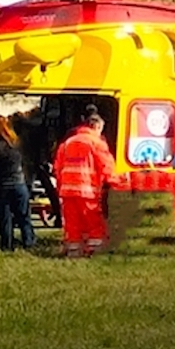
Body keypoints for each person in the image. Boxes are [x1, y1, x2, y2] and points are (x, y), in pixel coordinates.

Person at [53, 105, 117, 258]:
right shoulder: (96, 142)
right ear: (96, 126)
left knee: (72, 224)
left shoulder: (68, 143)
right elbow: (106, 167)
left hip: (67, 191)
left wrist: (61, 187)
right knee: (93, 223)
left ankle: (73, 251)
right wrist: (116, 183)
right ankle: (95, 250)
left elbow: (58, 167)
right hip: (87, 190)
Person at [0, 116, 36, 251]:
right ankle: (28, 242)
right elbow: (27, 166)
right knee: (24, 216)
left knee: (5, 219)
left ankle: (7, 245)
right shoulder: (17, 145)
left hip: (3, 187)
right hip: (19, 185)